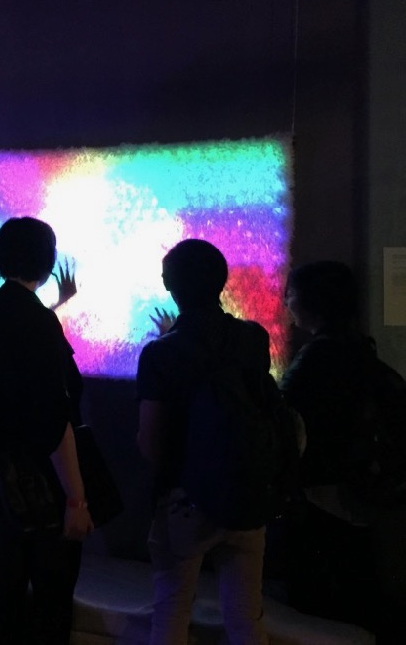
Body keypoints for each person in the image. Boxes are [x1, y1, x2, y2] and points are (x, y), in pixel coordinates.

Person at [136, 238, 272, 645]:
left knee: (172, 609)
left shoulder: (159, 354)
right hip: (246, 492)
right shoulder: (253, 338)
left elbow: (150, 441)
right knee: (246, 616)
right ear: (221, 281)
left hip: (184, 499)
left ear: (169, 284)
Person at [0, 216, 93, 645]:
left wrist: (55, 306)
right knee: (52, 600)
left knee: (6, 590)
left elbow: (17, 347)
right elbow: (55, 417)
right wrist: (76, 499)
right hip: (42, 481)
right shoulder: (38, 322)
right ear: (46, 259)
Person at [280, 260, 404, 642]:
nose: (286, 301)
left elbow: (281, 413)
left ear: (312, 302)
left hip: (325, 489)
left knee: (324, 594)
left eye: (291, 294)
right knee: (361, 580)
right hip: (361, 486)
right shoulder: (361, 348)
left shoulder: (316, 358)